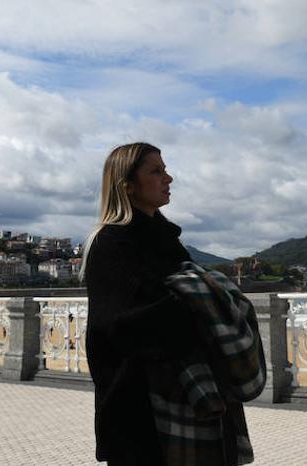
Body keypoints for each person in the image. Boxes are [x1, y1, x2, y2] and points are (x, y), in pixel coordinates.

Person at [84, 142, 250, 465]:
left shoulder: (167, 240)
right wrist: (202, 303)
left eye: (166, 170)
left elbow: (190, 295)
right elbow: (117, 326)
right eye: (156, 171)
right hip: (138, 410)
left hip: (193, 396)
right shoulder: (110, 244)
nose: (168, 178)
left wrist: (201, 300)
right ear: (127, 186)